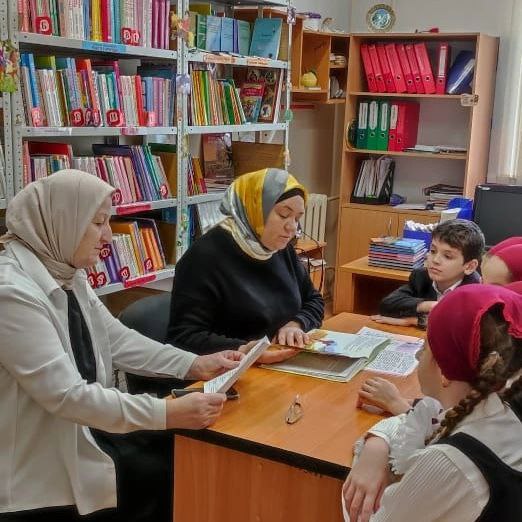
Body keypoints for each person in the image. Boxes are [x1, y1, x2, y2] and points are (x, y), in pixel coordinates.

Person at [0, 170, 246, 521]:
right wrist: (166, 413)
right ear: (62, 221)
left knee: (175, 459)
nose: (108, 236)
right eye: (98, 222)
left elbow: (116, 338)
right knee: (166, 472)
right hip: (36, 474)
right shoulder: (11, 293)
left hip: (82, 430)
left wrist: (195, 364)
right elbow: (66, 395)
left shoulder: (65, 271)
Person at [343, 284, 522, 522]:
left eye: (425, 348)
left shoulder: (448, 462)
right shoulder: (502, 409)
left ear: (444, 372)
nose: (419, 356)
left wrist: (364, 461)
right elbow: (419, 419)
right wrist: (377, 444)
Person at [166, 168, 324, 358]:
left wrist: (297, 324)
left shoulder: (279, 248)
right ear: (254, 208)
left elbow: (314, 300)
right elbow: (183, 338)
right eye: (283, 215)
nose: (292, 227)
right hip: (231, 367)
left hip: (281, 360)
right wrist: (245, 351)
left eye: (297, 218)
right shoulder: (204, 257)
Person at [372, 219, 484, 327]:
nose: (435, 260)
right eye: (433, 251)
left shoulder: (476, 289)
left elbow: (463, 325)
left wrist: (413, 321)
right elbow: (387, 305)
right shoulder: (421, 277)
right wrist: (427, 305)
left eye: (447, 256)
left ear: (469, 266)